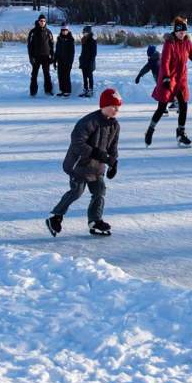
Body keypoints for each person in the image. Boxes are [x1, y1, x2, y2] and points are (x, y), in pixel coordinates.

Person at [46, 88, 122, 238]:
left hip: (97, 167)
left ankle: (95, 221)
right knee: (76, 191)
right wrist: (97, 153)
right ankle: (55, 217)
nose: (116, 110)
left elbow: (113, 146)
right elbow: (77, 142)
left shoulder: (114, 125)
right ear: (103, 106)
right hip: (79, 165)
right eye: (113, 106)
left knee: (99, 191)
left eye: (118, 107)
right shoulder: (89, 121)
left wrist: (113, 163)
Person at [146, 18, 192, 148]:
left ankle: (181, 134)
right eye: (179, 32)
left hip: (181, 79)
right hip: (168, 79)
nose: (182, 34)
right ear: (175, 32)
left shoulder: (187, 43)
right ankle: (150, 130)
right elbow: (165, 61)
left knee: (184, 106)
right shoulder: (169, 43)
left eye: (184, 31)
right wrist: (166, 77)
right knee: (161, 108)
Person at [26, 14, 55, 96]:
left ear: (45, 22)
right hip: (36, 57)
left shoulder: (48, 32)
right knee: (34, 75)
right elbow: (29, 46)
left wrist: (52, 56)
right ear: (38, 21)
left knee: (47, 74)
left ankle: (48, 91)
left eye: (44, 21)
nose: (42, 22)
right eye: (41, 21)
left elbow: (52, 45)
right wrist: (31, 58)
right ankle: (33, 92)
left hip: (46, 57)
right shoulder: (33, 32)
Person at [55, 24, 76, 97]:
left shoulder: (71, 39)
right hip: (60, 60)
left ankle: (67, 90)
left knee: (66, 76)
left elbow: (72, 52)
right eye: (63, 30)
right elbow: (57, 51)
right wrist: (55, 60)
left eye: (65, 30)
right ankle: (62, 90)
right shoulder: (59, 38)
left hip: (67, 61)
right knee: (60, 75)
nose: (64, 31)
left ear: (68, 30)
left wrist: (70, 62)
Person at [78, 25, 97, 97]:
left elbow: (94, 53)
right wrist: (81, 58)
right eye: (84, 32)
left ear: (89, 32)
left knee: (90, 76)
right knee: (84, 77)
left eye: (85, 32)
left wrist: (91, 61)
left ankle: (91, 90)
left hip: (89, 62)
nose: (84, 34)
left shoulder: (92, 40)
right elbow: (83, 51)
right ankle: (85, 89)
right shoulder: (83, 39)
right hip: (83, 61)